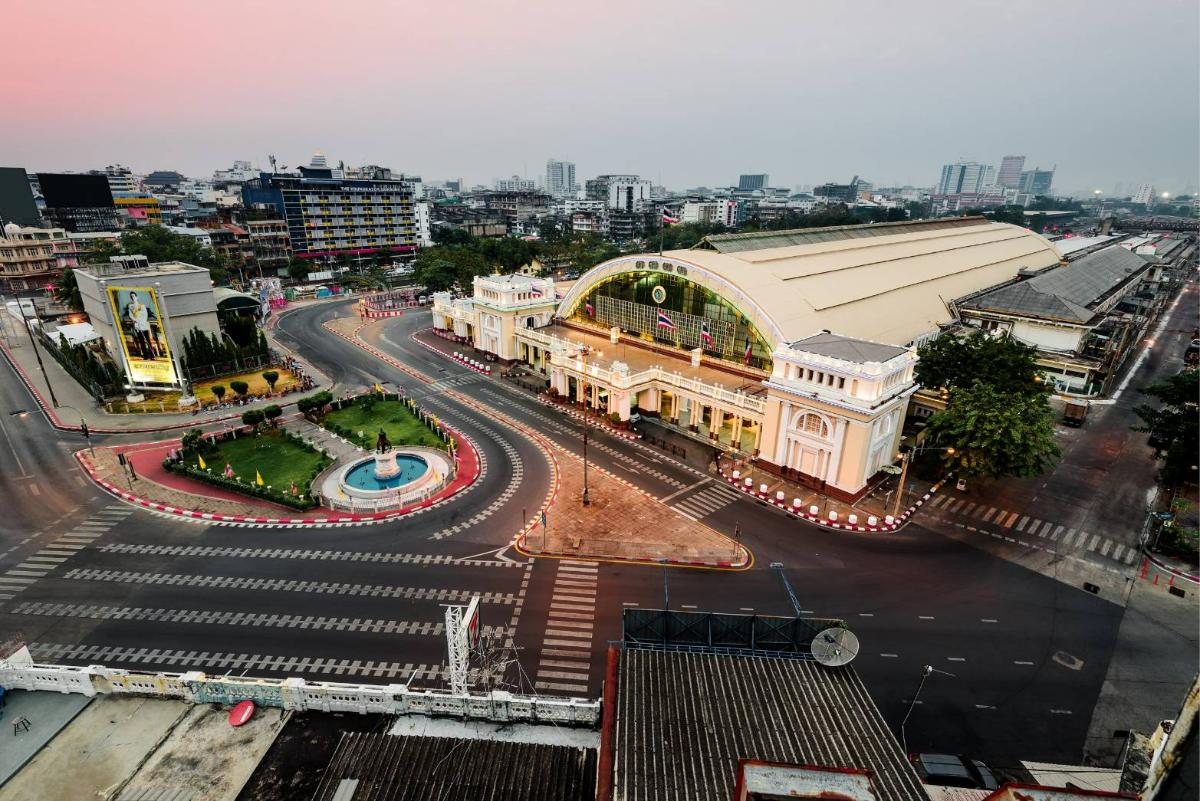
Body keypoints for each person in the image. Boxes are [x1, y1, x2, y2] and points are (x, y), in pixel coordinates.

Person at [124, 291, 156, 360]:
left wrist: (140, 320)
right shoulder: (130, 306)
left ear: (136, 297)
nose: (133, 297)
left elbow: (145, 315)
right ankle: (145, 355)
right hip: (137, 325)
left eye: (133, 296)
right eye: (131, 296)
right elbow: (131, 315)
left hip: (143, 325)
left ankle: (152, 355)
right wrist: (134, 320)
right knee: (141, 341)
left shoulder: (142, 305)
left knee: (148, 340)